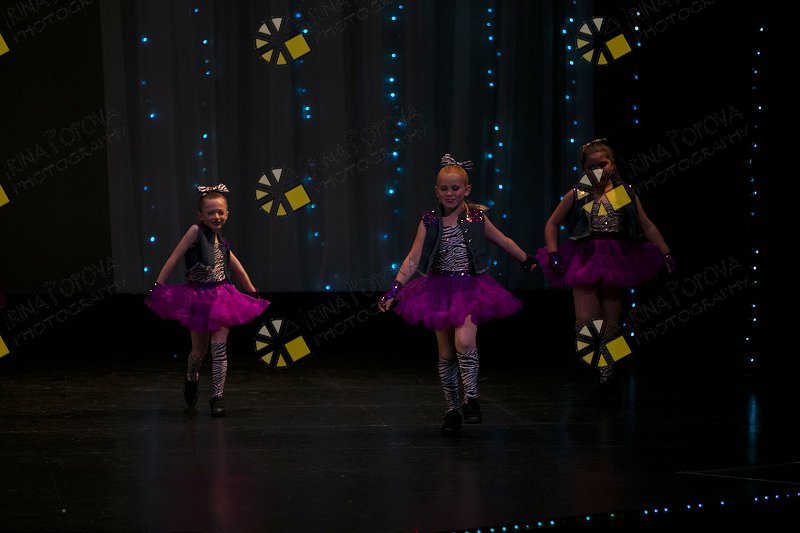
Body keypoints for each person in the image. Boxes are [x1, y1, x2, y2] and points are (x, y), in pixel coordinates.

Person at [378, 154, 537, 436]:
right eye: (444, 188)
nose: (450, 193)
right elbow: (413, 258)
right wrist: (395, 289)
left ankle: (471, 399)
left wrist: (526, 259)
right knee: (447, 353)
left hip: (469, 288)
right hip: (438, 289)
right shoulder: (429, 220)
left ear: (467, 189)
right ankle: (452, 410)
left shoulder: (477, 218)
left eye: (455, 188)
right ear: (436, 191)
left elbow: (503, 241)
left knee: (464, 340)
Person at [535, 139, 674, 387]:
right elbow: (552, 223)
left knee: (611, 323)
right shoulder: (579, 193)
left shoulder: (622, 193)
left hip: (615, 258)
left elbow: (647, 225)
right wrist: (553, 252)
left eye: (603, 164)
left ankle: (608, 371)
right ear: (584, 169)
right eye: (591, 166)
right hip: (584, 258)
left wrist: (665, 252)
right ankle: (588, 359)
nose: (598, 170)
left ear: (612, 164)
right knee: (586, 319)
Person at [146, 184, 269, 416]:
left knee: (219, 348)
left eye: (220, 212)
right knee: (198, 354)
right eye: (211, 212)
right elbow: (174, 257)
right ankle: (191, 375)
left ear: (227, 214)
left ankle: (217, 397)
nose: (216, 216)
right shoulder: (195, 232)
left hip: (222, 296)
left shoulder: (222, 242)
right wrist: (157, 286)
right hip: (198, 298)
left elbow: (237, 268)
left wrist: (252, 291)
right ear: (201, 215)